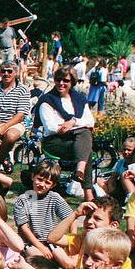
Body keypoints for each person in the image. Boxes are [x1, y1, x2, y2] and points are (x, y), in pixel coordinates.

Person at [36, 67, 96, 201]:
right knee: (87, 149)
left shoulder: (79, 99)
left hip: (76, 139)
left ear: (72, 82)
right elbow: (51, 127)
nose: (61, 83)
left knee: (85, 133)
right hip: (54, 141)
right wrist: (75, 124)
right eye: (58, 80)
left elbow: (90, 121)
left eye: (66, 80)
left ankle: (80, 170)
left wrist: (73, 122)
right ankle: (88, 193)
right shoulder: (47, 100)